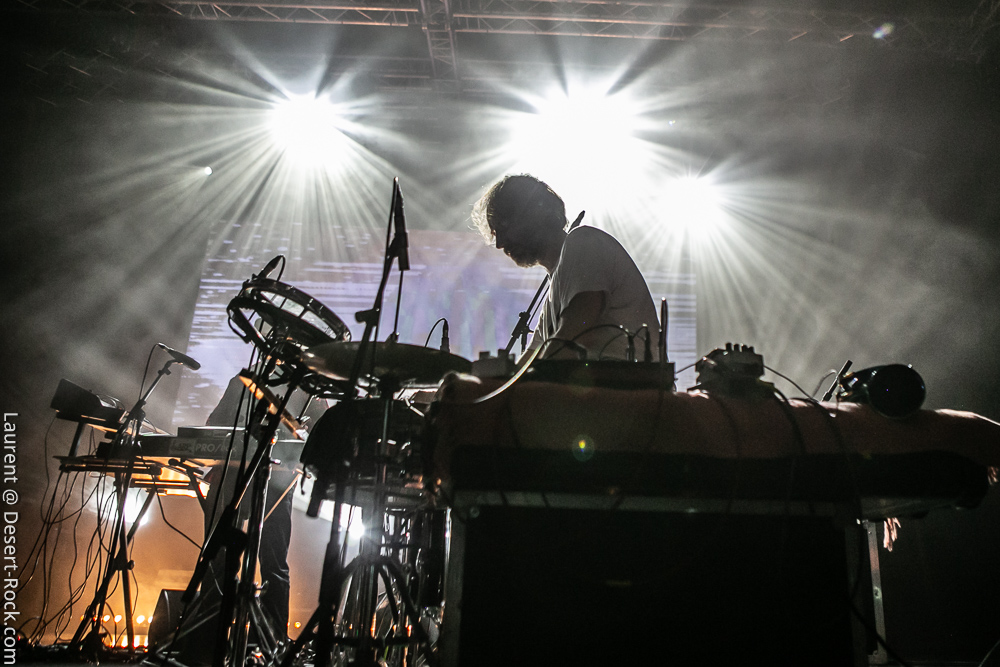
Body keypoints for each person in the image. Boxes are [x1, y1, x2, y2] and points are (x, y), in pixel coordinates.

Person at [472, 174, 659, 361]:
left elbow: (576, 332)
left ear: (533, 217)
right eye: (495, 233)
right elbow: (532, 358)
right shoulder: (553, 294)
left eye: (504, 228)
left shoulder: (584, 241)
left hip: (627, 380)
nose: (500, 243)